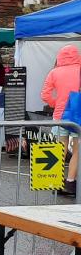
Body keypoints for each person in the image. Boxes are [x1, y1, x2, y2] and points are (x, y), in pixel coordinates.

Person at [41, 45, 81, 197]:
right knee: (77, 151)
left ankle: (55, 181)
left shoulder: (54, 72)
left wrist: (55, 103)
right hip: (78, 115)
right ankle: (70, 182)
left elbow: (45, 95)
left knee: (59, 149)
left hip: (59, 115)